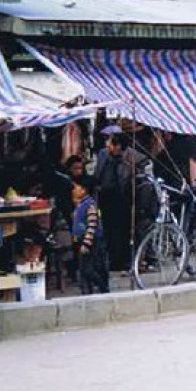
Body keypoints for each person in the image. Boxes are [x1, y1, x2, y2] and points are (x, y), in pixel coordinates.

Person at [94, 126, 149, 272]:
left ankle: (124, 260)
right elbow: (98, 175)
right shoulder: (103, 155)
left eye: (111, 143)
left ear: (118, 145)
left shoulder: (133, 157)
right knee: (110, 232)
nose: (107, 145)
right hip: (107, 198)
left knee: (124, 232)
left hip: (126, 199)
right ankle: (113, 261)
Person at [70, 177, 109, 294]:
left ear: (84, 190)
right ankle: (86, 290)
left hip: (90, 241)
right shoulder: (81, 204)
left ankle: (102, 286)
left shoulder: (90, 205)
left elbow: (92, 225)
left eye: (77, 187)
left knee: (88, 268)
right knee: (83, 268)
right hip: (83, 239)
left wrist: (86, 243)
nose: (74, 189)